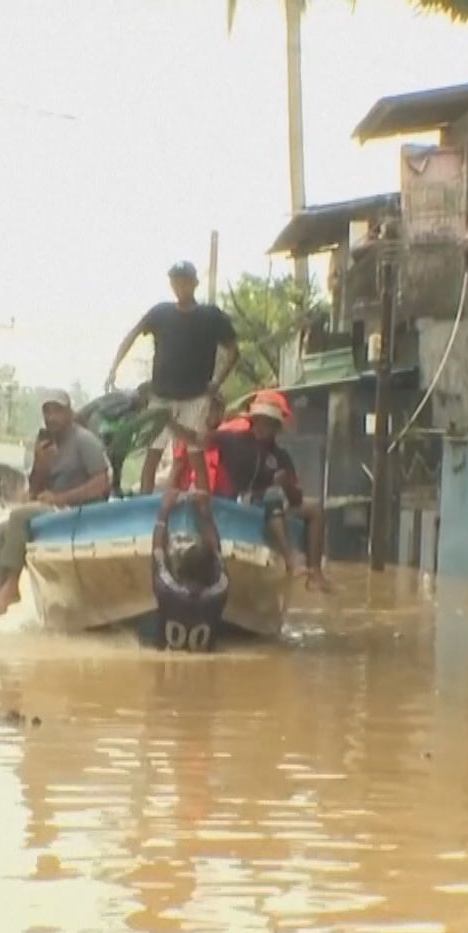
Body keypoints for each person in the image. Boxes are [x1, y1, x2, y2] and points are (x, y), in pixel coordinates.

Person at [0, 390, 112, 623]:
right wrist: (40, 463)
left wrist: (60, 498)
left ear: (69, 413)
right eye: (47, 412)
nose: (52, 417)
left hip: (78, 513)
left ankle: (12, 587)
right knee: (1, 530)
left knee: (19, 515)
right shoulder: (47, 445)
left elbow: (101, 484)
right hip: (53, 512)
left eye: (57, 411)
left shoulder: (84, 441)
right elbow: (35, 493)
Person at [104, 261, 237, 495]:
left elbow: (234, 350)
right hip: (162, 395)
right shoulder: (161, 313)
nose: (180, 285)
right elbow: (133, 334)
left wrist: (216, 382)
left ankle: (203, 500)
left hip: (195, 395)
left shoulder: (210, 315)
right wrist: (114, 367)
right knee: (153, 452)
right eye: (176, 281)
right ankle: (144, 506)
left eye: (185, 280)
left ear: (194, 283)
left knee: (194, 451)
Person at [208, 395, 331, 591]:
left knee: (314, 508)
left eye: (267, 423)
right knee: (271, 496)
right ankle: (290, 559)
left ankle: (315, 572)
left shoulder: (280, 456)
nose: (261, 427)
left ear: (275, 427)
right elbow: (199, 439)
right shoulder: (233, 440)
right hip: (238, 501)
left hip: (267, 505)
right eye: (258, 421)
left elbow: (295, 499)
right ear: (252, 421)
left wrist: (286, 485)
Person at [150, 486, 228, 653]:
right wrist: (205, 514)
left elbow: (157, 552)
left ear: (179, 571)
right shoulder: (219, 591)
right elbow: (216, 552)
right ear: (211, 574)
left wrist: (164, 510)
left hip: (167, 663)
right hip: (203, 658)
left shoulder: (167, 589)